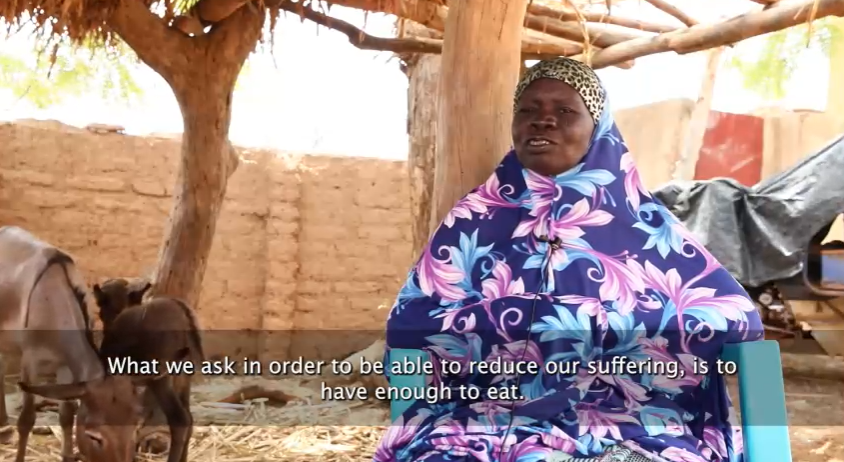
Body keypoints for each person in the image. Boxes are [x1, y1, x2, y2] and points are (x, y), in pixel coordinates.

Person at [374, 57, 764, 462]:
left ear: (597, 128)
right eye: (528, 110)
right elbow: (413, 321)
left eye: (564, 111)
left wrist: (611, 325)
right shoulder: (474, 218)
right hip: (482, 424)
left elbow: (736, 319)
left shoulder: (644, 227)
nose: (543, 121)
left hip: (631, 425)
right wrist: (502, 321)